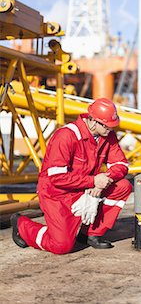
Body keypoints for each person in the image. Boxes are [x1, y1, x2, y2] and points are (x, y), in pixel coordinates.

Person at [11, 98, 132, 254]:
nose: (111, 129)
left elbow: (121, 165)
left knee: (123, 186)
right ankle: (22, 225)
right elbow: (56, 177)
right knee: (61, 246)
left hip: (84, 188)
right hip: (56, 194)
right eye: (108, 126)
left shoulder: (108, 136)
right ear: (94, 122)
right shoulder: (66, 136)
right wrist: (93, 181)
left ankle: (90, 234)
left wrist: (104, 179)